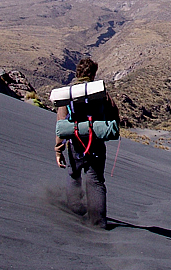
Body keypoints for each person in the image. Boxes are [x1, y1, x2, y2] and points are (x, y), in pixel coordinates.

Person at [54, 58, 119, 229]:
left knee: (73, 174)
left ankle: (74, 212)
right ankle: (98, 223)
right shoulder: (100, 93)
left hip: (74, 144)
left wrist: (58, 150)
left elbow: (61, 123)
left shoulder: (67, 94)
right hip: (96, 143)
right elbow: (114, 112)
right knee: (95, 181)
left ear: (77, 73)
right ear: (92, 74)